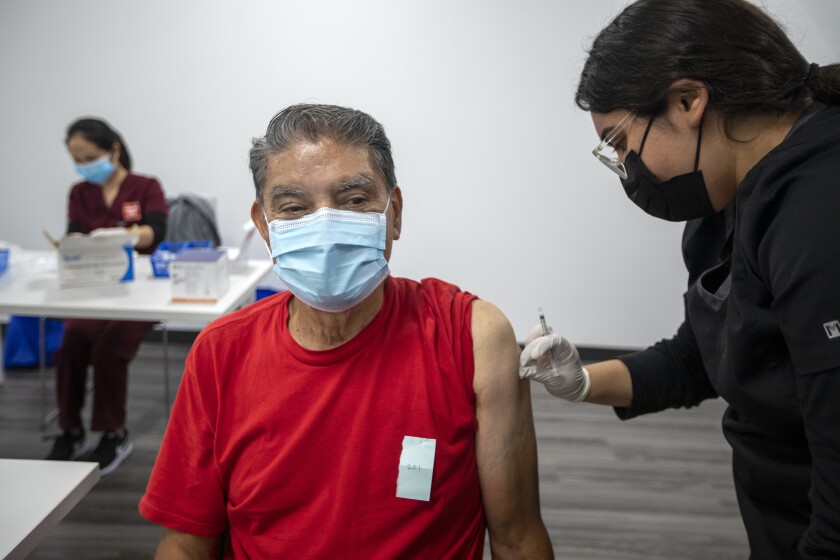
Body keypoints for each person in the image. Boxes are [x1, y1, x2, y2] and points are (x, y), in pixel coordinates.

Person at [139, 104, 553, 559]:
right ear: (264, 226)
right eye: (294, 207)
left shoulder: (471, 338)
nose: (326, 228)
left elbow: (517, 538)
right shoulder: (220, 355)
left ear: (394, 213)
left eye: (355, 201)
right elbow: (184, 542)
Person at [520, 1, 840, 558]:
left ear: (689, 101)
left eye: (619, 142)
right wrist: (582, 383)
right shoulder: (726, 198)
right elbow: (704, 356)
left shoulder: (819, 212)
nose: (625, 167)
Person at [46, 118, 168, 475]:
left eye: (89, 157)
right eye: (78, 160)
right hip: (95, 289)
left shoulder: (145, 186)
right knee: (70, 341)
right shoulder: (79, 193)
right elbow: (72, 237)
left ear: (114, 150)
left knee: (108, 348)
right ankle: (69, 430)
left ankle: (113, 435)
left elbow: (157, 232)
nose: (85, 167)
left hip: (141, 293)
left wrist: (128, 237)